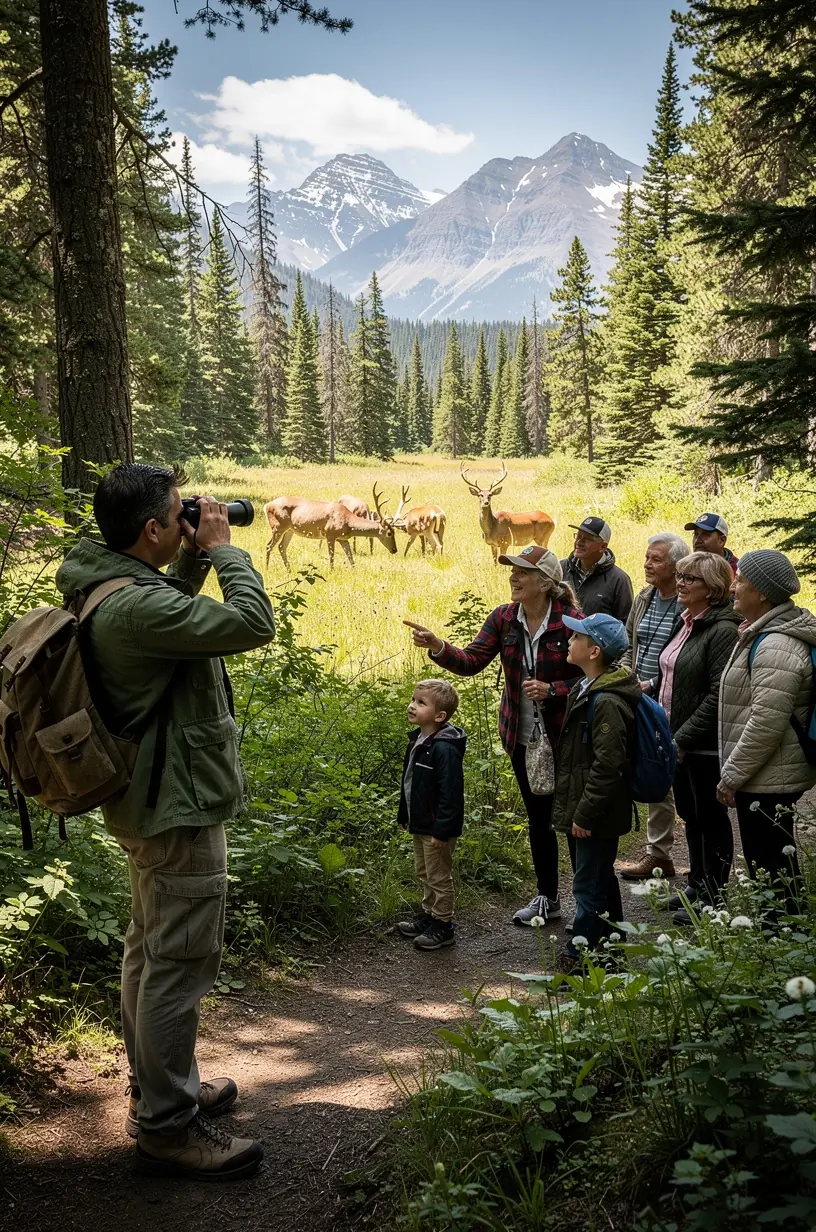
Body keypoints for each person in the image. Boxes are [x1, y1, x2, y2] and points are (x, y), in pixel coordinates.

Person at [55, 464, 276, 1182]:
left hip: (150, 800)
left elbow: (165, 622)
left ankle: (161, 1090)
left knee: (151, 954)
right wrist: (224, 550)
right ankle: (167, 1128)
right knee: (177, 965)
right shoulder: (132, 607)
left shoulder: (112, 582)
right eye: (181, 514)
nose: (194, 518)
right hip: (174, 804)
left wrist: (186, 560)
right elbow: (251, 623)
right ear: (152, 528)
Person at [405, 545, 583, 925]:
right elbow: (471, 661)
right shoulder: (504, 618)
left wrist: (554, 691)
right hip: (521, 737)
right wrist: (438, 646)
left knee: (570, 820)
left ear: (546, 582)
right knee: (539, 820)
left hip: (565, 736)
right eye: (513, 571)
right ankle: (547, 899)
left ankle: (585, 902)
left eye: (522, 572)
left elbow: (592, 673)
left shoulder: (570, 618)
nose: (513, 577)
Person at [717, 550, 816, 903]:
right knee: (774, 867)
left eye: (740, 579)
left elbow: (765, 723)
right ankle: (781, 943)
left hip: (769, 778)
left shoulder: (775, 645)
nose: (733, 586)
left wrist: (732, 776)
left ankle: (784, 942)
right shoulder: (763, 633)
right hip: (765, 774)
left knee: (774, 871)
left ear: (761, 593)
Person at [655, 552, 740, 924]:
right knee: (690, 814)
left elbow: (718, 694)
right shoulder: (687, 620)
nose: (681, 583)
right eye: (680, 576)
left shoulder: (722, 629)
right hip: (677, 738)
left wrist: (684, 738)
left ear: (713, 588)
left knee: (710, 816)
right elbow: (674, 672)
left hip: (703, 743)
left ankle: (714, 897)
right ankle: (697, 883)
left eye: (691, 579)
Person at [552, 613, 640, 961]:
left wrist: (585, 813)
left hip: (598, 809)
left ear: (594, 651)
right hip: (591, 804)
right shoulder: (586, 688)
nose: (568, 642)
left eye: (576, 638)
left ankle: (581, 957)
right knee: (598, 876)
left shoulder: (607, 701)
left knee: (587, 883)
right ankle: (613, 947)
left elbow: (608, 766)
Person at [617, 532, 689, 879]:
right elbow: (631, 642)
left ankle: (660, 854)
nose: (647, 564)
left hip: (667, 701)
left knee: (664, 774)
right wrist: (627, 677)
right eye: (647, 557)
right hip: (638, 697)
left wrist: (653, 684)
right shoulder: (644, 596)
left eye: (656, 559)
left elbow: (682, 659)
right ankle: (657, 853)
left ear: (676, 567)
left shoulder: (687, 602)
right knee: (646, 768)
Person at [396, 679, 466, 951]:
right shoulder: (419, 740)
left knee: (438, 874)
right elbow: (410, 783)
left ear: (440, 716)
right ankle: (428, 914)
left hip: (437, 827)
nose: (412, 706)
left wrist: (442, 830)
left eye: (421, 703)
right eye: (413, 700)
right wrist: (405, 814)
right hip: (420, 822)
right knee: (424, 870)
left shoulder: (444, 749)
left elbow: (451, 794)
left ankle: (444, 924)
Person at [560, 516, 634, 621]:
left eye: (586, 539)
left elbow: (625, 624)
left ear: (602, 547)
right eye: (578, 536)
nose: (579, 542)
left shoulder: (619, 580)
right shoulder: (560, 568)